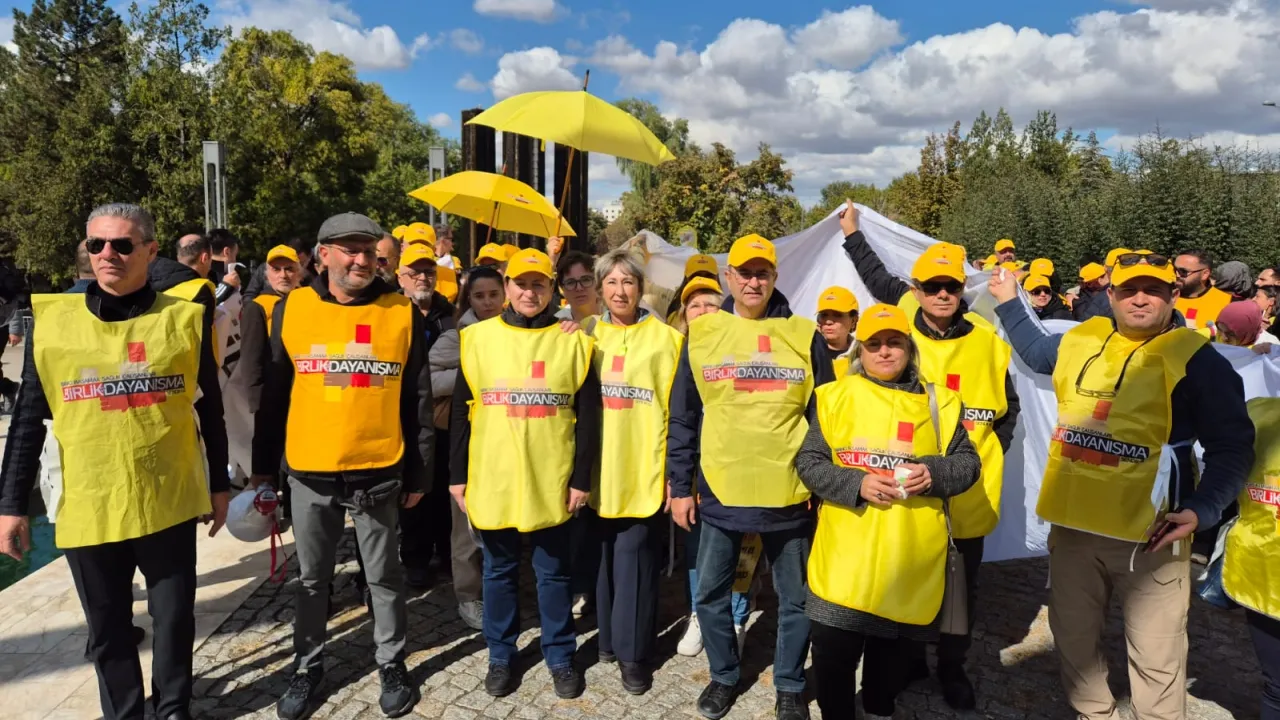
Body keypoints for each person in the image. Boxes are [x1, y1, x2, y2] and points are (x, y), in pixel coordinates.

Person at [989, 249, 1255, 720]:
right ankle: (1094, 713)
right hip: (1074, 526)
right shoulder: (1080, 340)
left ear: (1174, 295)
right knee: (1073, 638)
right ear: (1110, 295)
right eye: (1129, 290)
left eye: (1153, 290)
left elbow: (1233, 447)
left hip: (1152, 534)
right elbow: (1034, 352)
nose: (1140, 299)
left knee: (1157, 655)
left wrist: (1202, 509)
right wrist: (1010, 300)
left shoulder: (1200, 361)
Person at [0, 203, 230, 720]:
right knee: (107, 630)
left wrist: (219, 484)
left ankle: (173, 710)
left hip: (167, 497)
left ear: (150, 250)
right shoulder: (54, 323)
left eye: (123, 244)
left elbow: (209, 408)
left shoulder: (184, 318)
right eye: (97, 244)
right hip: (90, 499)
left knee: (174, 620)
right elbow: (28, 417)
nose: (108, 254)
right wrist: (10, 505)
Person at [252, 212, 432, 720]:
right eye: (349, 249)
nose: (360, 260)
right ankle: (307, 666)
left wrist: (419, 472)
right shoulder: (292, 308)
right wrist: (263, 469)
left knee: (384, 576)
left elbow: (416, 397)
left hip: (378, 466)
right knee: (312, 580)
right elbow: (274, 393)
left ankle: (391, 663)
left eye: (368, 251)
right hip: (310, 468)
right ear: (323, 255)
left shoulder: (401, 312)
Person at [839, 202, 1017, 708]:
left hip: (968, 489)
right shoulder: (898, 333)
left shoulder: (988, 341)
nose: (942, 294)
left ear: (962, 290)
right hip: (907, 487)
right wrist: (852, 233)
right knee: (912, 573)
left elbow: (1009, 411)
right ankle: (911, 658)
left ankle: (952, 666)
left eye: (951, 286)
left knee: (961, 586)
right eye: (932, 286)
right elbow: (874, 273)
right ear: (915, 289)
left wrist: (985, 454)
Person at [668, 233, 835, 720]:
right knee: (710, 594)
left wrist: (821, 482)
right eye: (744, 272)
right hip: (722, 486)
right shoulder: (703, 333)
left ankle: (789, 684)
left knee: (797, 599)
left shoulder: (803, 334)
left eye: (762, 273)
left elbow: (826, 416)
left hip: (789, 489)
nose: (753, 281)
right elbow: (683, 415)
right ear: (729, 277)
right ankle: (724, 675)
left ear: (775, 277)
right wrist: (680, 486)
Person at [796, 303, 981, 720]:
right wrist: (855, 483)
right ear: (859, 350)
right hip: (844, 562)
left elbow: (968, 465)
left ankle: (879, 711)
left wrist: (932, 473)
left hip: (909, 562)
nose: (884, 351)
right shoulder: (835, 397)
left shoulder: (941, 403)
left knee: (889, 667)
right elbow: (809, 463)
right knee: (833, 662)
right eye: (874, 344)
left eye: (894, 342)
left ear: (909, 349)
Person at [449, 248, 599, 700]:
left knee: (553, 573)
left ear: (551, 289)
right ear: (507, 287)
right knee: (498, 570)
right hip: (493, 472)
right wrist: (457, 475)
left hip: (551, 474)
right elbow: (460, 412)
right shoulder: (477, 338)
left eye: (539, 284)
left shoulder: (574, 341)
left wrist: (581, 479)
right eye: (521, 283)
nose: (529, 292)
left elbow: (589, 418)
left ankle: (560, 654)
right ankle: (500, 653)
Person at [578, 248, 684, 694]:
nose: (620, 291)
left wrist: (674, 474)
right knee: (601, 560)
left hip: (644, 468)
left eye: (628, 281)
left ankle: (634, 654)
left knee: (636, 562)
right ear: (600, 289)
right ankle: (607, 640)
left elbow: (677, 413)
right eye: (611, 282)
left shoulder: (667, 340)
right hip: (596, 470)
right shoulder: (586, 334)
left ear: (641, 288)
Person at [667, 276, 753, 658]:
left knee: (744, 545)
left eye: (711, 304)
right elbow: (680, 419)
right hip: (698, 467)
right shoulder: (682, 350)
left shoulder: (741, 346)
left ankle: (736, 614)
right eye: (694, 305)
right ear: (684, 315)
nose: (703, 311)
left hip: (740, 464)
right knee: (698, 544)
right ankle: (700, 613)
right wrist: (679, 482)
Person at [428, 265, 504, 631]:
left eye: (493, 294)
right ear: (468, 299)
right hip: (469, 441)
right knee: (466, 525)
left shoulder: (518, 330)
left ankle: (503, 587)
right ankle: (469, 594)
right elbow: (426, 378)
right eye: (479, 296)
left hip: (506, 438)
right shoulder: (457, 336)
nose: (488, 302)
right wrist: (474, 374)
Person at [396, 243, 457, 588]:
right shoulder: (389, 312)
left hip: (442, 418)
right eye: (415, 272)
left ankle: (447, 554)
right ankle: (415, 558)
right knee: (412, 490)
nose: (422, 277)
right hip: (403, 417)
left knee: (444, 488)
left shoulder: (450, 314)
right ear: (400, 277)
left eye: (428, 271)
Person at [1222, 397, 1280, 720]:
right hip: (1261, 575)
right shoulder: (1256, 413)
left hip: (1260, 573)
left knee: (1277, 688)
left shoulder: (1255, 412)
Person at [1174, 249, 1232, 330]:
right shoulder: (1163, 295)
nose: (1177, 275)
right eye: (1174, 270)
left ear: (1205, 274)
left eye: (1183, 271)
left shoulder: (1227, 303)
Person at [815, 286, 858, 376]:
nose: (828, 322)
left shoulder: (863, 355)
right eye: (824, 315)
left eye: (837, 315)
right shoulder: (808, 352)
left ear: (853, 320)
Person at [668, 253, 720, 319]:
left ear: (717, 278)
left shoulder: (729, 306)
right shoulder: (675, 313)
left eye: (708, 276)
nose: (702, 280)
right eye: (696, 276)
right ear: (686, 279)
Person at [556, 250, 601, 322]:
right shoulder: (555, 322)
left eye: (585, 280)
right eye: (571, 282)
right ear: (561, 288)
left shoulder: (615, 317)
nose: (579, 288)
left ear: (597, 282)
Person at [208, 228, 246, 304]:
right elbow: (206, 303)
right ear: (227, 252)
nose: (235, 261)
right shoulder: (215, 276)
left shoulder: (199, 271)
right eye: (235, 255)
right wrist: (227, 285)